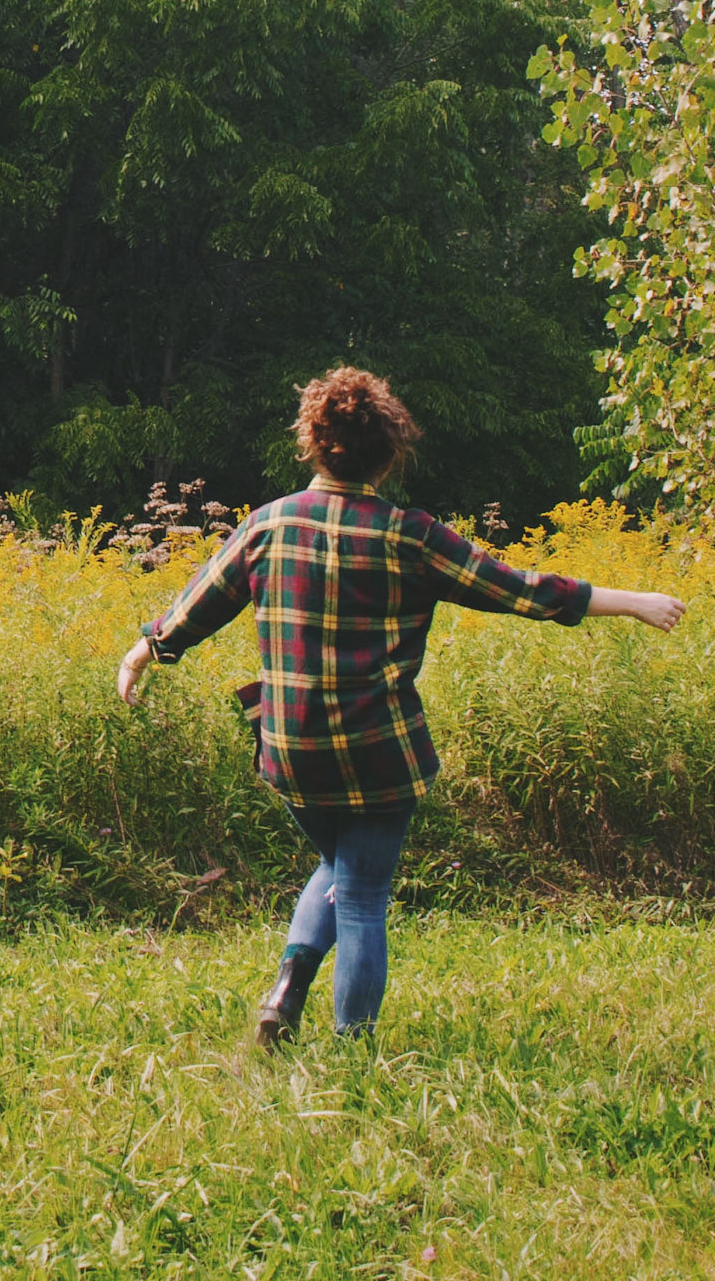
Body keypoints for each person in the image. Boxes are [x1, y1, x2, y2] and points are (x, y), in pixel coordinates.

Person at [115, 367, 684, 1049]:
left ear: (313, 444)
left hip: (292, 749)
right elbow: (523, 590)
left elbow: (195, 606)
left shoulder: (269, 524)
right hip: (378, 751)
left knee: (337, 866)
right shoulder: (410, 536)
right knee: (358, 894)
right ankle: (353, 1053)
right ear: (390, 453)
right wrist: (634, 602)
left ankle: (287, 987)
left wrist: (143, 651)